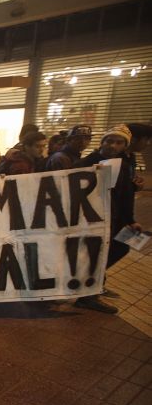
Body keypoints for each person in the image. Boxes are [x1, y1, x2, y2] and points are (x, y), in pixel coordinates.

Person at [74, 124, 141, 314]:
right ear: (102, 142)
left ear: (124, 146)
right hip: (92, 221)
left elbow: (125, 195)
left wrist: (131, 219)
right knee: (95, 256)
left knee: (121, 247)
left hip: (116, 219)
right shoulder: (86, 163)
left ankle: (95, 283)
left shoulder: (125, 165)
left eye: (119, 142)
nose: (113, 145)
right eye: (109, 141)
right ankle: (88, 295)